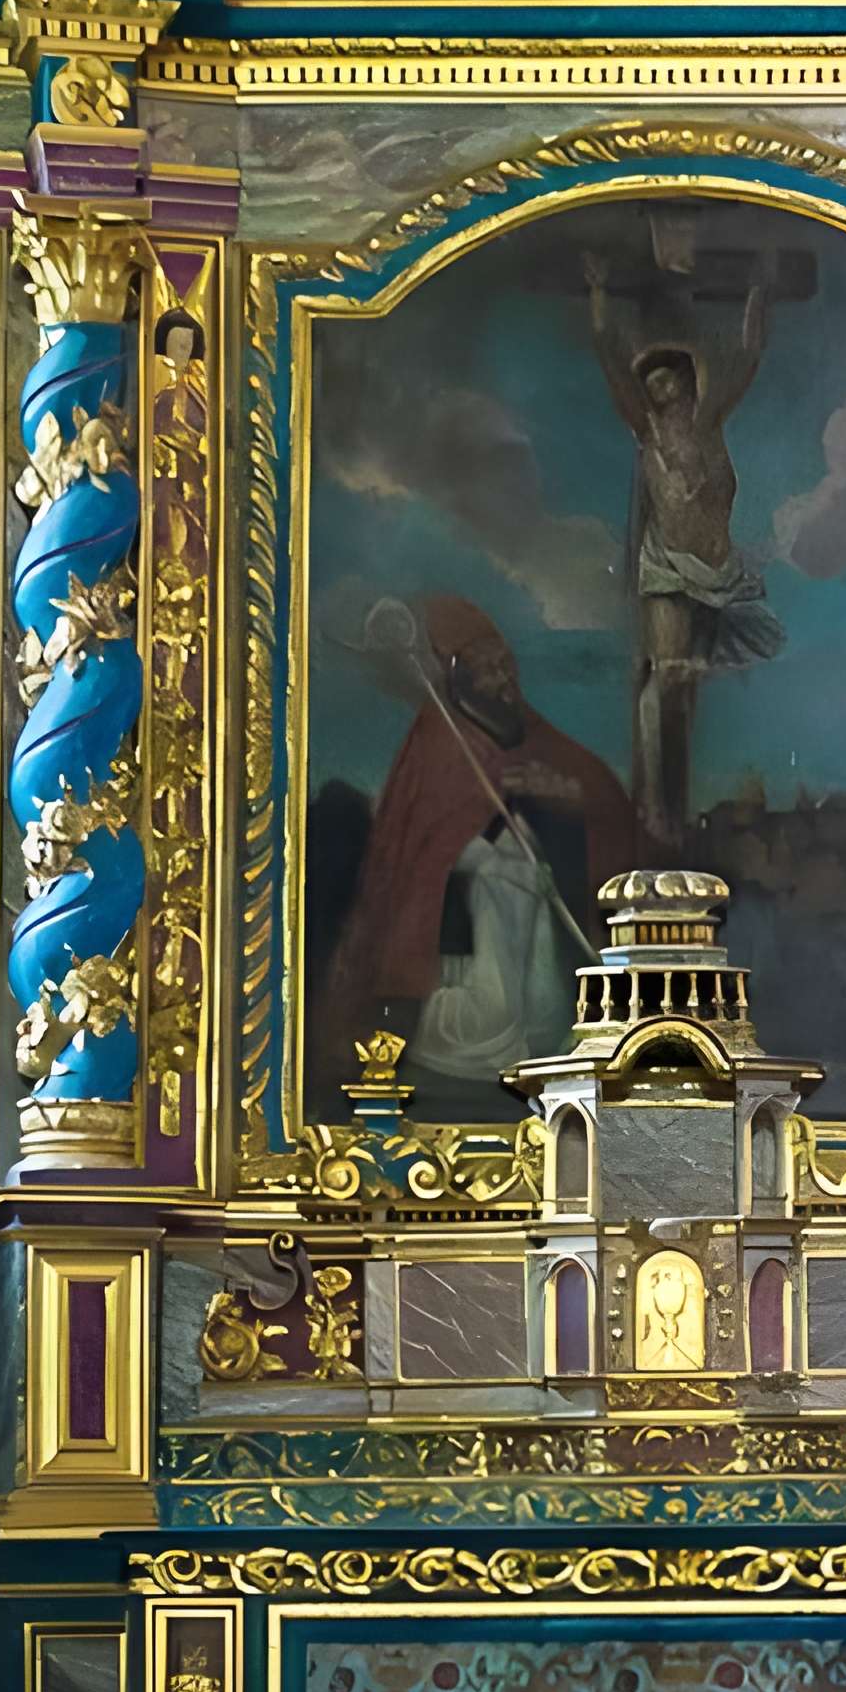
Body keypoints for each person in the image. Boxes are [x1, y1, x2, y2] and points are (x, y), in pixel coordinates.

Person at [326, 597, 632, 1103]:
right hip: (463, 882)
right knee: (501, 885)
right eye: (489, 670)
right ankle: (470, 1033)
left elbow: (580, 790)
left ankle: (537, 1026)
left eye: (505, 665)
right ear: (461, 676)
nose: (503, 679)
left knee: (528, 913)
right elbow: (428, 836)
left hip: (517, 868)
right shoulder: (440, 735)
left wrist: (552, 796)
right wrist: (486, 824)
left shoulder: (513, 725)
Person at [585, 251, 785, 852]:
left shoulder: (711, 426)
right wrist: (599, 296)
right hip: (668, 568)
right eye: (654, 384)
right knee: (668, 675)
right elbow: (609, 362)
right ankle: (652, 800)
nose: (663, 389)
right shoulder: (646, 436)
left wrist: (757, 294)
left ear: (690, 385)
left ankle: (673, 805)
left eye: (672, 379)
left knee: (689, 684)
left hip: (717, 574)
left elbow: (750, 354)